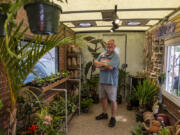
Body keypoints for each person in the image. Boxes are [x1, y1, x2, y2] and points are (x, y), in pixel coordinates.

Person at [94, 39, 120, 127]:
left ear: (114, 46)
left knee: (112, 100)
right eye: (108, 44)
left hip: (111, 82)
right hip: (102, 81)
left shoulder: (115, 56)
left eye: (111, 44)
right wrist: (105, 64)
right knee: (103, 98)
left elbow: (110, 67)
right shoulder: (102, 54)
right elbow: (95, 63)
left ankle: (113, 118)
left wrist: (101, 64)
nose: (109, 46)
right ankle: (104, 114)